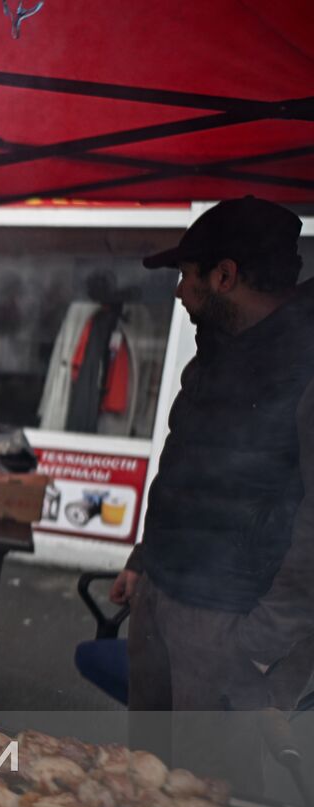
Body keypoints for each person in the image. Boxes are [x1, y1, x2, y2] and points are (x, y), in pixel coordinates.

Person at [109, 197, 314, 745]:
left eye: (186, 275)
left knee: (210, 799)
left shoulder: (305, 367)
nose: (179, 290)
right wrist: (143, 560)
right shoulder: (214, 351)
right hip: (162, 594)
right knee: (144, 778)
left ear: (225, 275)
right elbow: (182, 463)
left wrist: (264, 642)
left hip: (233, 623)